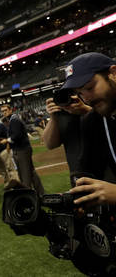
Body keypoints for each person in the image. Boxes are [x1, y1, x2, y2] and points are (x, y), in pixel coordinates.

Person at [58, 53, 116, 206]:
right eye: (80, 93)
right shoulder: (93, 120)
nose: (87, 98)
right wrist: (74, 196)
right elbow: (87, 170)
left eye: (90, 87)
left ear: (113, 74)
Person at [43, 94, 91, 187]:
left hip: (106, 173)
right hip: (77, 174)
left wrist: (86, 110)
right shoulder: (63, 110)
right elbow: (50, 144)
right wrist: (54, 116)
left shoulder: (98, 101)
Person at [0, 104, 44, 196]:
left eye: (6, 110)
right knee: (31, 172)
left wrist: (7, 140)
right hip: (22, 149)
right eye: (2, 111)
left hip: (22, 150)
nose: (4, 112)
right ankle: (40, 193)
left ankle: (28, 195)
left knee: (25, 174)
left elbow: (16, 135)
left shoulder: (14, 120)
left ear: (11, 110)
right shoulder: (13, 119)